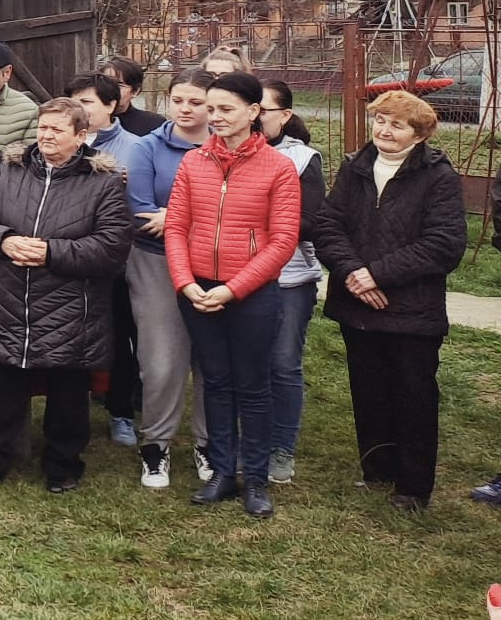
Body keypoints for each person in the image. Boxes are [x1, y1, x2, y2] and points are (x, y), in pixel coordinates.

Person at [0, 97, 133, 493]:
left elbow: (112, 247)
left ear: (81, 136)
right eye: (43, 127)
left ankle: (63, 466)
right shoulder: (8, 170)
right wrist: (4, 241)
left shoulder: (103, 182)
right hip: (7, 301)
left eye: (57, 129)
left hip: (70, 308)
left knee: (68, 394)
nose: (46, 135)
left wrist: (51, 252)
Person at [314, 90, 467, 511]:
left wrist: (377, 274)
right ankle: (377, 469)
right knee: (369, 390)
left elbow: (444, 243)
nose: (384, 130)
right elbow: (327, 226)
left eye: (397, 125)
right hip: (358, 305)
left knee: (414, 395)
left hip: (413, 309)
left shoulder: (438, 176)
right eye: (380, 120)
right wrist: (353, 274)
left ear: (419, 135)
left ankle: (413, 487)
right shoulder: (355, 167)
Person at [164, 71, 302, 519]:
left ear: (253, 111)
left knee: (253, 385)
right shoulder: (194, 162)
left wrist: (232, 289)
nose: (215, 117)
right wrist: (185, 282)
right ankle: (222, 472)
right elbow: (176, 227)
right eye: (212, 108)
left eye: (226, 109)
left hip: (251, 293)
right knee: (215, 382)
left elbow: (282, 241)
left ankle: (256, 479)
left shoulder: (278, 167)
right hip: (198, 290)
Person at [122, 68, 215, 490]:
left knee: (212, 361)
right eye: (178, 100)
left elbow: (234, 212)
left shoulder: (225, 147)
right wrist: (197, 219)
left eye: (196, 102)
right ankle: (156, 447)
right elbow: (141, 212)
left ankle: (209, 444)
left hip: (216, 265)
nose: (185, 109)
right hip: (155, 263)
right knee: (161, 362)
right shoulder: (147, 147)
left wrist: (174, 217)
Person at [67, 73, 143, 448]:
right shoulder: (65, 142)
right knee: (72, 339)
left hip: (118, 262)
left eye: (87, 102)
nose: (79, 109)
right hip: (70, 258)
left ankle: (121, 412)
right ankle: (71, 410)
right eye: (74, 102)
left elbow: (145, 205)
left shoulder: (135, 148)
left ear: (111, 105)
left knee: (121, 339)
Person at [258, 80, 325, 486]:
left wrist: (251, 223)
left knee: (282, 364)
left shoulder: (302, 159)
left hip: (289, 278)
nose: (255, 116)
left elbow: (311, 221)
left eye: (264, 109)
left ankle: (281, 447)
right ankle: (244, 442)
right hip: (231, 276)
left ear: (284, 116)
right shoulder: (220, 152)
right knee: (243, 365)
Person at [100, 55, 166, 137]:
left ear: (135, 91)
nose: (110, 89)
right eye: (106, 83)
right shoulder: (89, 120)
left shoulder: (153, 125)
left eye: (119, 85)